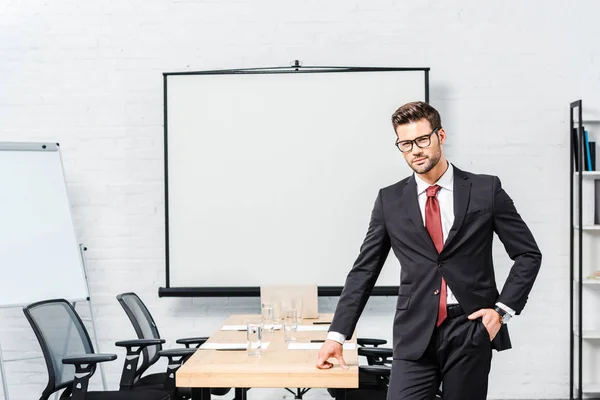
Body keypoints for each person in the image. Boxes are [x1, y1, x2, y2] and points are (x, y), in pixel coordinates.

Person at [315, 101, 542, 400]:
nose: (415, 150)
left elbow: (528, 254)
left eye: (422, 140)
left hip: (470, 328)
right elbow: (364, 271)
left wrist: (501, 312)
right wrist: (337, 335)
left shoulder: (486, 189)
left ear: (441, 136)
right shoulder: (390, 200)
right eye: (406, 144)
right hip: (414, 331)